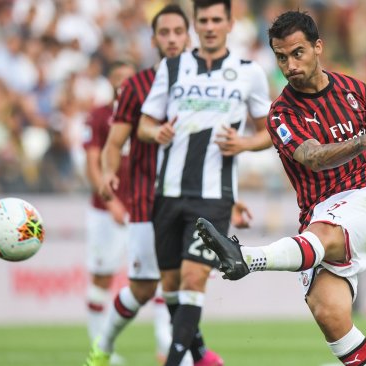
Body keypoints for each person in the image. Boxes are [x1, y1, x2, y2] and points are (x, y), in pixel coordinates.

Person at [196, 11, 366, 366]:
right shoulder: (280, 115)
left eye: (297, 53)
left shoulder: (355, 90)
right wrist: (364, 140)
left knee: (325, 234)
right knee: (329, 314)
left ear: (318, 47)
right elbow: (313, 158)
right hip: (318, 214)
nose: (290, 64)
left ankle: (247, 258)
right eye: (281, 57)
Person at [84, 5, 253, 366]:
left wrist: (232, 199)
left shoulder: (207, 77)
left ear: (188, 35)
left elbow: (210, 150)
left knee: (185, 280)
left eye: (179, 32)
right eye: (165, 33)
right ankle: (105, 346)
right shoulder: (137, 85)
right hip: (147, 200)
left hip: (195, 196)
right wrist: (109, 174)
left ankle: (192, 355)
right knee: (148, 287)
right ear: (155, 39)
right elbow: (114, 142)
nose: (173, 39)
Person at [137, 1, 272, 365]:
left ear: (230, 23)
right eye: (203, 21)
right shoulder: (171, 68)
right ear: (195, 25)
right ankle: (202, 357)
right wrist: (157, 131)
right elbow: (143, 125)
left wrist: (243, 143)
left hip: (213, 196)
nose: (210, 27)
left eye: (217, 20)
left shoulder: (248, 72)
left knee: (193, 279)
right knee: (171, 288)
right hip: (167, 193)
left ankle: (173, 362)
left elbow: (270, 132)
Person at [81, 60, 136, 364]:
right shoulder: (100, 115)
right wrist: (111, 199)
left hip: (141, 207)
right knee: (102, 277)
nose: (123, 83)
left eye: (128, 78)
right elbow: (92, 161)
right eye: (117, 78)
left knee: (157, 276)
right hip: (106, 211)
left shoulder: (147, 115)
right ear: (110, 82)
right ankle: (99, 346)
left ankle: (167, 344)